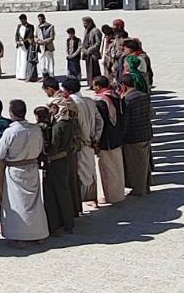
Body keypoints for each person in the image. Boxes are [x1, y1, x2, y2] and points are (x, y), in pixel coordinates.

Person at [0, 99, 50, 247]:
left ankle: (19, 237)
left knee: (17, 203)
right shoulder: (36, 129)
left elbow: (0, 153)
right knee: (34, 203)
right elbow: (40, 148)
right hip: (32, 167)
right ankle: (38, 234)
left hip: (15, 170)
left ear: (12, 114)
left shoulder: (10, 132)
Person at [36, 101, 78, 236]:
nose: (50, 110)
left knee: (51, 194)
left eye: (52, 107)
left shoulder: (57, 127)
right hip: (65, 161)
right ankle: (68, 222)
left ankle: (55, 224)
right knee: (64, 192)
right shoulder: (69, 122)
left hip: (54, 163)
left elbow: (53, 148)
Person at [63, 78, 103, 204]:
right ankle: (93, 198)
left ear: (68, 91)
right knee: (91, 171)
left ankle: (86, 198)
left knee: (81, 173)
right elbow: (99, 121)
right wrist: (96, 138)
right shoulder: (90, 101)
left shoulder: (70, 104)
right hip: (91, 142)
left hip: (80, 144)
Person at [90, 76, 127, 204]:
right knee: (118, 168)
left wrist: (96, 140)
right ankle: (119, 194)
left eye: (94, 85)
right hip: (117, 137)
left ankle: (112, 196)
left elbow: (100, 123)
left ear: (99, 86)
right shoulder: (115, 96)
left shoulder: (100, 101)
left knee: (108, 170)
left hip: (107, 140)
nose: (93, 88)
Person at [119, 76, 154, 196]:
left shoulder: (127, 100)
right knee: (145, 162)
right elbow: (151, 113)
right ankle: (147, 185)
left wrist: (121, 136)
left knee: (136, 165)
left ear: (123, 85)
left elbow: (125, 120)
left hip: (133, 136)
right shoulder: (144, 96)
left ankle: (139, 189)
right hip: (146, 133)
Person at [14, 14, 36, 82]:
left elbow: (30, 36)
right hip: (20, 46)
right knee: (19, 60)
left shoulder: (30, 26)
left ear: (25, 19)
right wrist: (17, 41)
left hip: (26, 45)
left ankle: (25, 75)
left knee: (24, 60)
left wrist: (23, 41)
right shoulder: (19, 26)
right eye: (20, 20)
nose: (21, 22)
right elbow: (16, 35)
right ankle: (19, 74)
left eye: (22, 20)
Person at [82, 17, 102, 82]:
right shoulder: (86, 31)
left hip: (93, 53)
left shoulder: (95, 30)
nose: (84, 25)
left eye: (85, 23)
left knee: (94, 70)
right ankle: (90, 83)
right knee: (89, 70)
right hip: (86, 53)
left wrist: (90, 49)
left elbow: (98, 42)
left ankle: (97, 83)